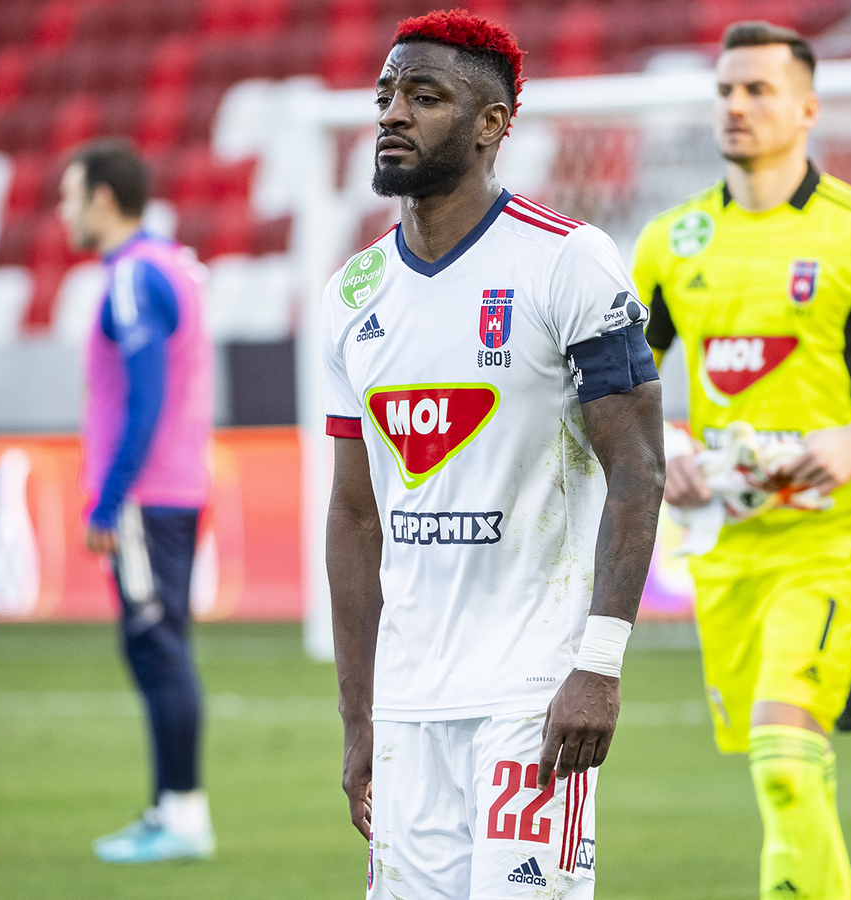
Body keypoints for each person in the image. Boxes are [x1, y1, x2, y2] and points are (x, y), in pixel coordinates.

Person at [323, 11, 665, 898]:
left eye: (424, 95)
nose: (393, 112)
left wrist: (598, 665)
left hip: (534, 693)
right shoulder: (353, 294)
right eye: (386, 93)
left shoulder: (569, 262)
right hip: (407, 705)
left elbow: (639, 468)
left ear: (491, 124)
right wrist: (359, 717)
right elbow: (355, 516)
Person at [630, 22, 851, 900]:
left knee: (783, 757)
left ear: (808, 108)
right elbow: (624, 385)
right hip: (726, 549)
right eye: (724, 90)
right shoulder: (671, 241)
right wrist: (670, 448)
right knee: (781, 765)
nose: (735, 106)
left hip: (832, 540)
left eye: (758, 90)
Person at [57, 138, 216, 863]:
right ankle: (168, 809)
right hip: (174, 488)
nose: (62, 214)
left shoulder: (132, 277)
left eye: (68, 197)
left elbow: (145, 400)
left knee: (158, 649)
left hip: (146, 496)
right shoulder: (173, 263)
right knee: (157, 646)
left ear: (102, 198)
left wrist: (108, 500)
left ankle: (181, 816)